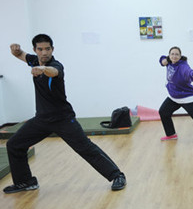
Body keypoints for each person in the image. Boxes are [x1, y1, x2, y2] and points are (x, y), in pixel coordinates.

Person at [4, 34, 126, 194]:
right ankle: (25, 182)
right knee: (14, 145)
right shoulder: (34, 60)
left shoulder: (55, 65)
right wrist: (16, 50)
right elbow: (20, 55)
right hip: (42, 119)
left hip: (63, 119)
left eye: (47, 49)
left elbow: (53, 72)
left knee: (86, 148)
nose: (44, 52)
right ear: (35, 50)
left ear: (52, 49)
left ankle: (117, 175)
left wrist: (42, 69)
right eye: (40, 49)